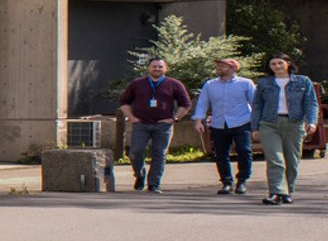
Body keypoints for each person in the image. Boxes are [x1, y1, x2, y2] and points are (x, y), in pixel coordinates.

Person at [251, 51, 319, 205]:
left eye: (280, 63)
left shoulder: (303, 81)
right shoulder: (264, 83)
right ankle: (276, 192)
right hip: (269, 124)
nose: (277, 66)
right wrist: (255, 128)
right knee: (275, 159)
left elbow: (311, 103)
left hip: (294, 124)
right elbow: (257, 106)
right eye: (273, 64)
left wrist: (312, 121)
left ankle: (288, 191)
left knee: (292, 160)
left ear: (288, 64)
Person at [118, 56, 191, 193]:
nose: (157, 69)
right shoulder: (137, 83)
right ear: (148, 68)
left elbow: (185, 105)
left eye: (160, 66)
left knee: (159, 153)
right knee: (136, 151)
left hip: (163, 126)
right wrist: (132, 118)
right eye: (154, 66)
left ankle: (153, 184)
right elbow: (124, 102)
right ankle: (139, 175)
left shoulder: (174, 84)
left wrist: (175, 119)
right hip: (141, 124)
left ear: (165, 69)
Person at [192, 57, 257, 195]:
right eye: (218, 66)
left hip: (242, 122)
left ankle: (242, 181)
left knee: (244, 151)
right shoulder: (210, 85)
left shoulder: (246, 83)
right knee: (221, 154)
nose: (219, 68)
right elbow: (203, 103)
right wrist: (199, 120)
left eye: (223, 66)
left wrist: (256, 123)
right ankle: (227, 182)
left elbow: (255, 104)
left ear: (233, 68)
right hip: (219, 123)